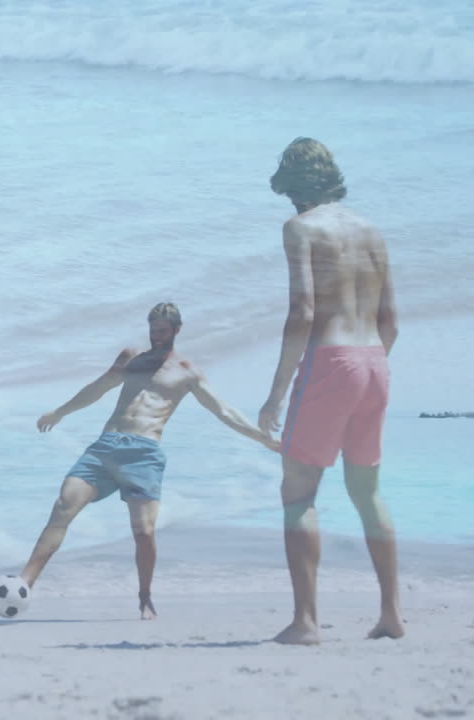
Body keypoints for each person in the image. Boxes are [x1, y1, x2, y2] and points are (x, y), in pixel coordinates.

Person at [21, 303, 278, 619]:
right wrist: (59, 412)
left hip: (144, 454)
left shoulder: (187, 372)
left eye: (163, 330)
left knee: (143, 531)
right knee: (64, 506)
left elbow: (223, 411)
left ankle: (145, 597)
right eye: (153, 330)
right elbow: (97, 389)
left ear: (176, 330)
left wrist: (261, 437)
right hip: (106, 446)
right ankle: (25, 583)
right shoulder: (131, 358)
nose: (156, 336)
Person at [257, 137, 403, 645]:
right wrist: (368, 365)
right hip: (375, 362)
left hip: (331, 362)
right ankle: (390, 614)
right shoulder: (371, 230)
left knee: (298, 494)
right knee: (368, 494)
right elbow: (391, 321)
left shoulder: (300, 228)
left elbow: (302, 313)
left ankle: (306, 622)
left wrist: (276, 394)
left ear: (292, 187)